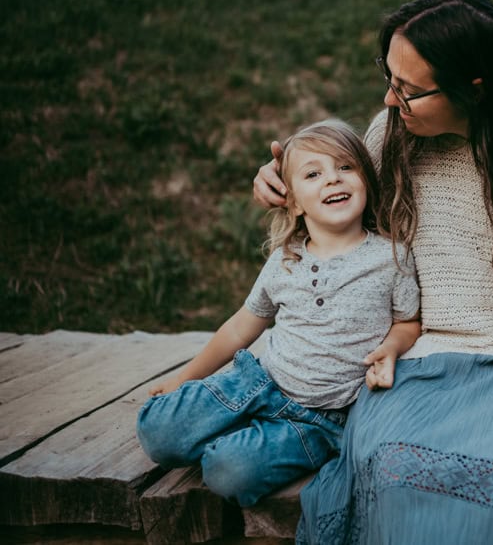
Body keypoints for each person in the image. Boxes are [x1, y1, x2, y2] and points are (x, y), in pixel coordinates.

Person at [254, 0, 493, 544]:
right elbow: (336, 194)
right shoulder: (394, 136)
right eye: (389, 77)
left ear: (473, 88)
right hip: (418, 360)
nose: (388, 99)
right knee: (392, 477)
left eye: (408, 89)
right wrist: (281, 178)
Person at [137, 119, 421, 508]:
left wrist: (390, 349)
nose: (333, 180)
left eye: (345, 167)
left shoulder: (392, 257)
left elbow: (408, 322)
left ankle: (248, 443)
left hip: (318, 420)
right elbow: (241, 327)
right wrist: (183, 379)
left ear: (366, 183)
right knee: (155, 429)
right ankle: (235, 428)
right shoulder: (285, 260)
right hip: (256, 384)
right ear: (294, 202)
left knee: (225, 472)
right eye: (313, 173)